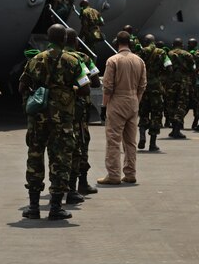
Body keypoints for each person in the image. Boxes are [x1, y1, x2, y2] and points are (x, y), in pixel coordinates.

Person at [18, 24, 91, 220]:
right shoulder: (73, 61)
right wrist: (68, 91)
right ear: (65, 40)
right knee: (60, 160)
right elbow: (86, 88)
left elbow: (22, 85)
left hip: (38, 119)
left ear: (49, 38)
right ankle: (56, 207)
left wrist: (34, 98)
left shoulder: (35, 59)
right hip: (62, 121)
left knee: (35, 157)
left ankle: (33, 207)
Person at [99, 31, 147, 184]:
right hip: (133, 101)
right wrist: (135, 101)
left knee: (113, 140)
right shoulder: (139, 61)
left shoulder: (113, 60)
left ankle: (113, 175)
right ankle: (130, 173)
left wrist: (103, 106)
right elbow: (142, 85)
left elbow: (107, 87)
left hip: (117, 102)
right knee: (130, 141)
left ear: (116, 43)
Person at [64, 28, 101, 200]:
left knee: (60, 147)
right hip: (79, 111)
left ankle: (60, 184)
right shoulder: (83, 58)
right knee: (81, 145)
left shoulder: (47, 58)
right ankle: (81, 183)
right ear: (76, 42)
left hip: (58, 111)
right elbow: (94, 82)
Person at [137, 33, 171, 151]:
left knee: (143, 112)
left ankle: (142, 135)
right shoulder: (161, 53)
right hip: (156, 87)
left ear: (145, 42)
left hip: (143, 86)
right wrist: (161, 77)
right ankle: (152, 143)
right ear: (154, 41)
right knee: (156, 114)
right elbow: (169, 67)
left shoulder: (141, 52)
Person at [166, 38, 195, 138]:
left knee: (171, 104)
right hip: (183, 83)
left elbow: (164, 67)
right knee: (181, 104)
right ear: (182, 45)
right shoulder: (187, 54)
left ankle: (173, 128)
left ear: (173, 44)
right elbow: (192, 69)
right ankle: (177, 130)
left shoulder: (168, 54)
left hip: (171, 83)